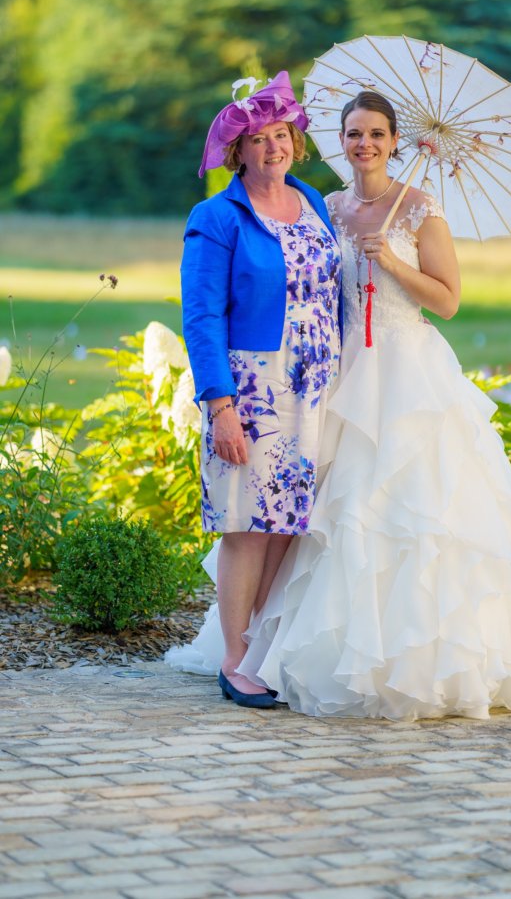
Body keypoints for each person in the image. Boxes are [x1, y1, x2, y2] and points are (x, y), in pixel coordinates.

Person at [232, 89, 511, 720]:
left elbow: (447, 301)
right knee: (323, 511)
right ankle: (278, 643)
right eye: (352, 134)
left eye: (374, 134)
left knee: (401, 509)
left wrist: (392, 261)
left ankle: (414, 655)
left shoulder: (421, 209)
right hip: (338, 374)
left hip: (405, 373)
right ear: (339, 142)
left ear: (396, 141)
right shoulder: (328, 207)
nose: (363, 144)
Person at [166, 72, 342, 709]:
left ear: (296, 143)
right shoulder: (215, 217)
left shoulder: (315, 202)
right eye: (258, 139)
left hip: (316, 385)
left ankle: (262, 644)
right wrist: (221, 407)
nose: (273, 148)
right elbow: (202, 316)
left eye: (281, 136)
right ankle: (235, 658)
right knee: (247, 524)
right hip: (254, 387)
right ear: (237, 151)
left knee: (289, 523)